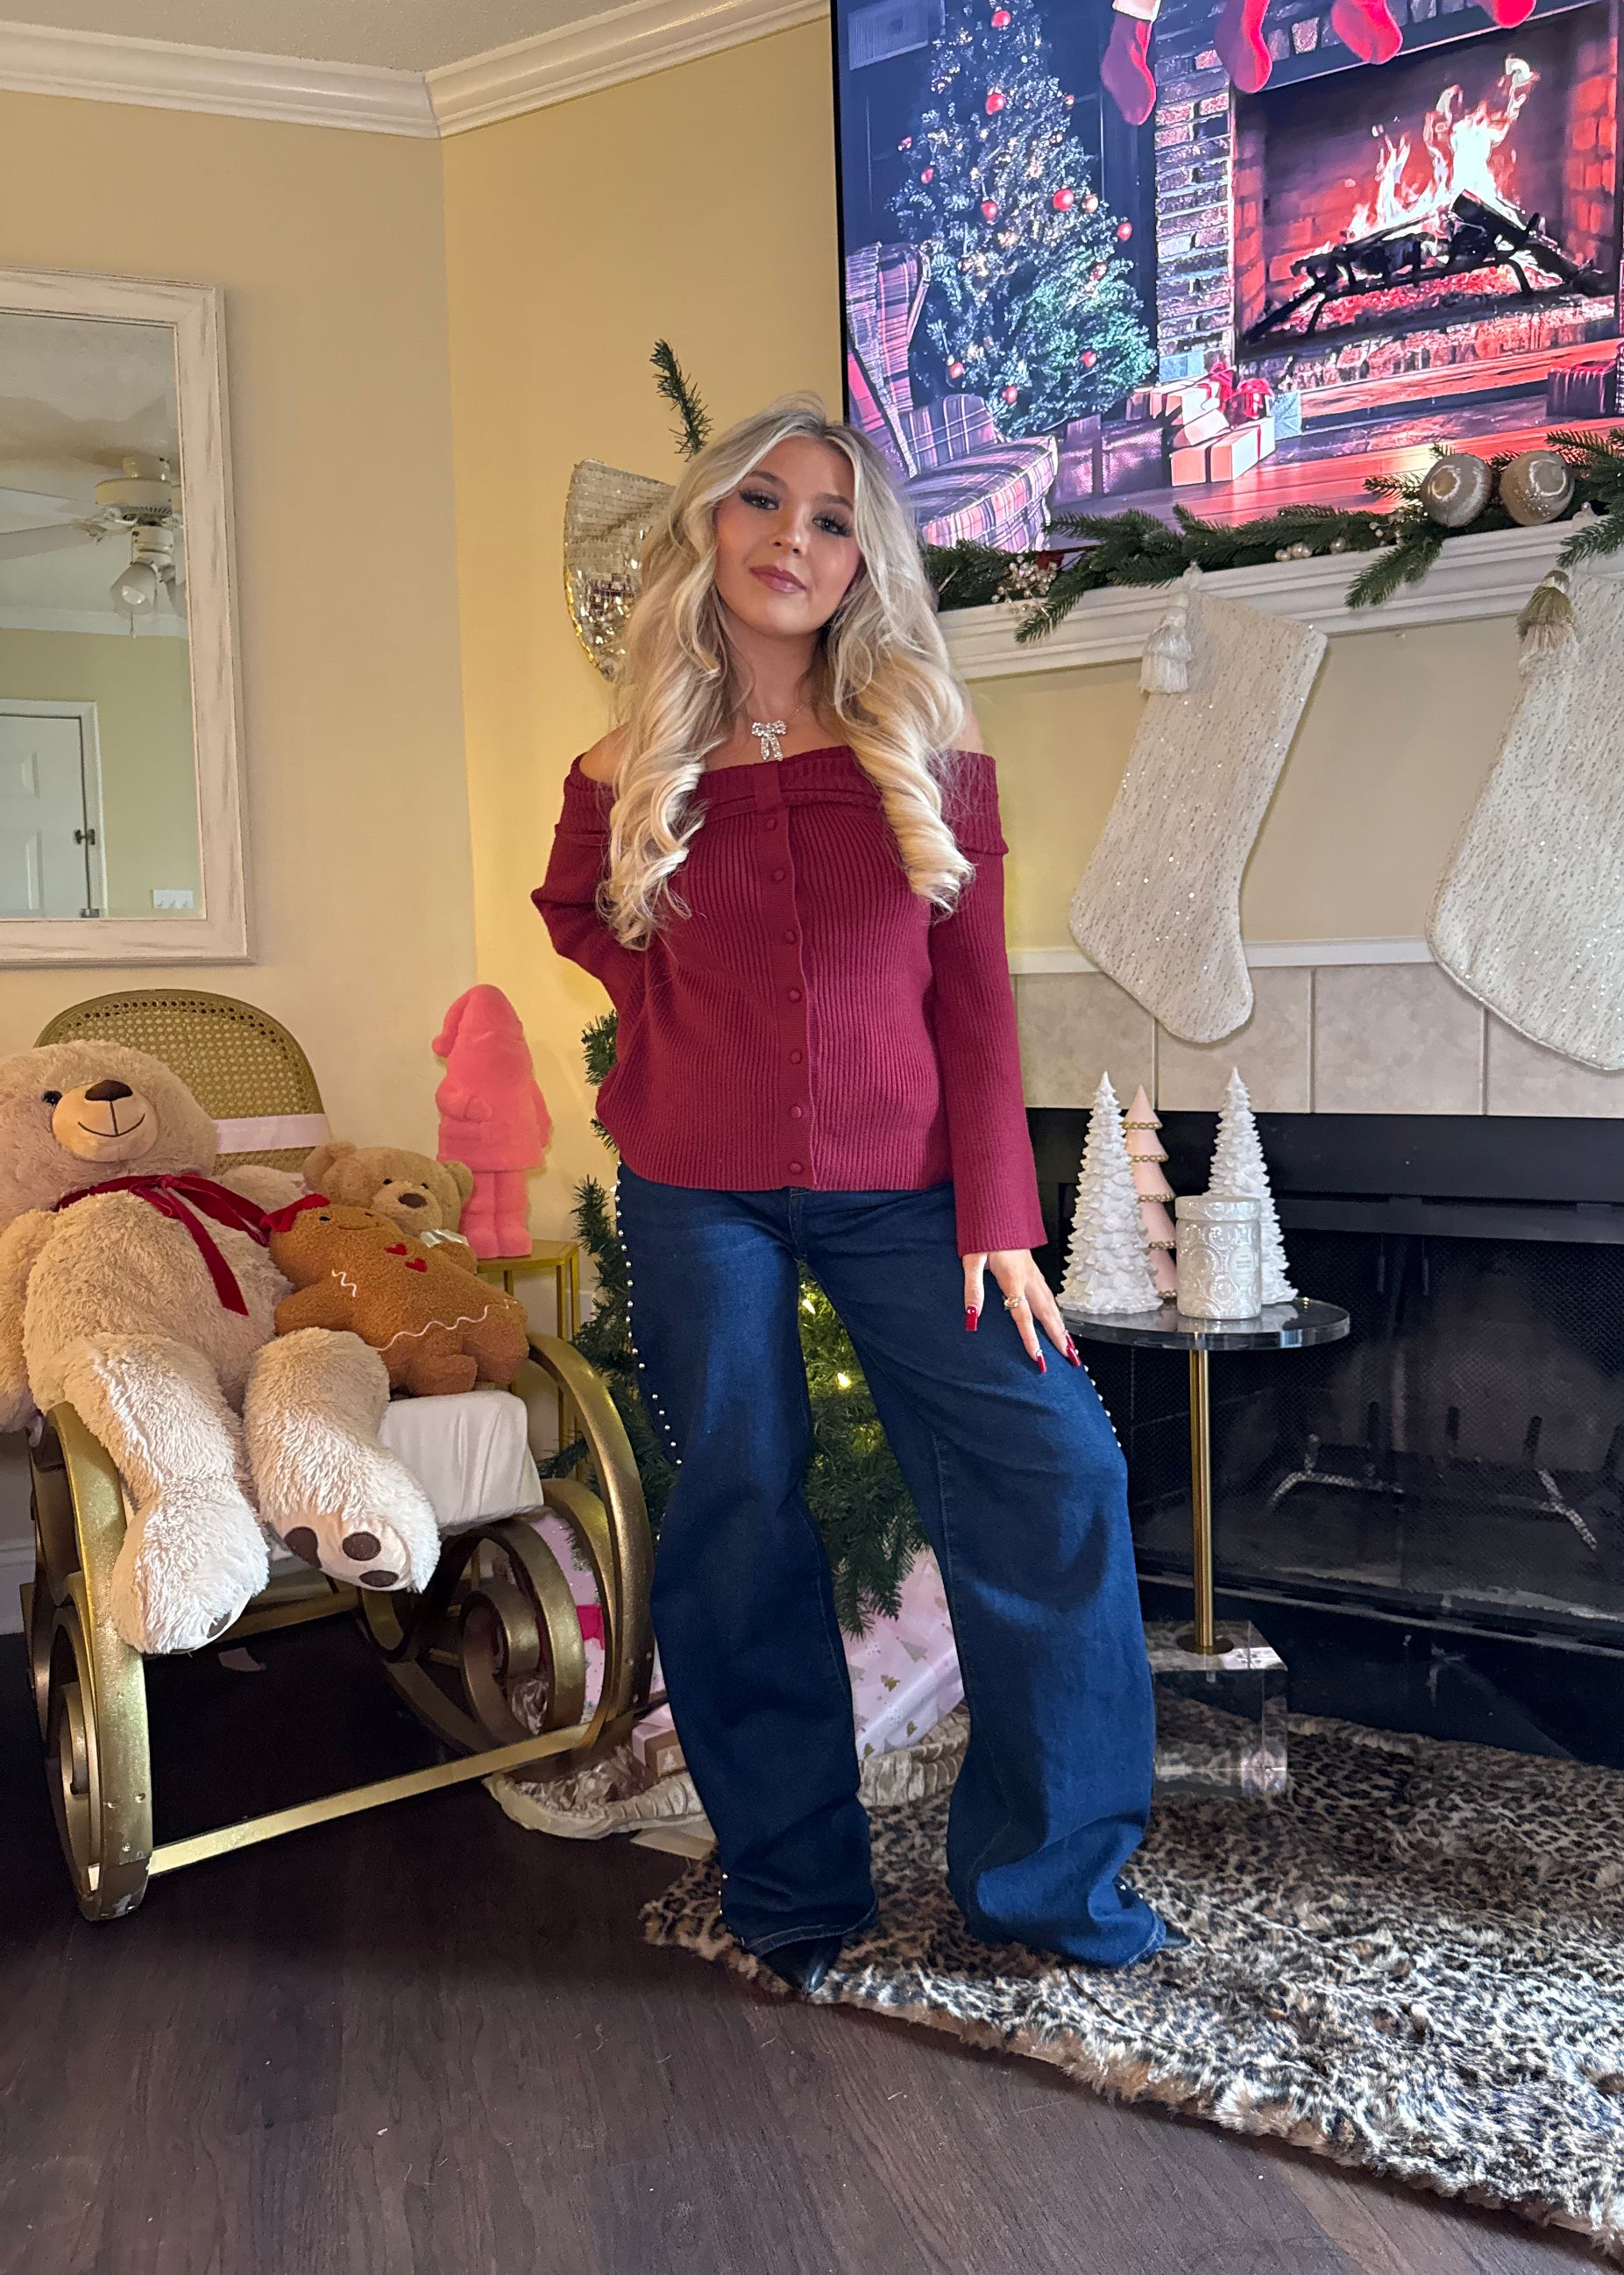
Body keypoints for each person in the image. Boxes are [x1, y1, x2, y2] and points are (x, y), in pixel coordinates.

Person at [535, 395, 1178, 1993]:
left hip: (912, 1198)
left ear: (863, 561)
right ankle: (792, 1887)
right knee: (738, 1513)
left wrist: (1001, 1213)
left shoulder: (922, 752)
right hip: (697, 1192)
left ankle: (1045, 1889)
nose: (794, 540)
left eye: (833, 519)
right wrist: (687, 1013)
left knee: (1056, 1471)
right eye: (762, 502)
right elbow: (579, 915)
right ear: (707, 528)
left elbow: (975, 1002)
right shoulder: (624, 769)